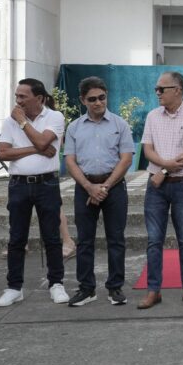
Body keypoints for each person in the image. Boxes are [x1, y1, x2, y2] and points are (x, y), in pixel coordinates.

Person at [0, 78, 69, 307]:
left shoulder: (54, 117)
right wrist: (35, 148)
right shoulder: (10, 121)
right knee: (16, 238)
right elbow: (2, 154)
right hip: (18, 185)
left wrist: (23, 123)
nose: (18, 101)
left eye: (23, 96)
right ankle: (14, 287)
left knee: (52, 237)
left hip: (47, 184)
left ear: (39, 98)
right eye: (17, 96)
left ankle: (56, 283)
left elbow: (44, 140)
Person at [62, 77, 135, 306]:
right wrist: (89, 187)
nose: (97, 103)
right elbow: (70, 161)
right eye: (92, 99)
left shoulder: (119, 125)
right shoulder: (74, 127)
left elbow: (126, 159)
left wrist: (105, 186)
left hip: (113, 188)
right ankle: (87, 288)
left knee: (116, 239)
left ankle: (115, 288)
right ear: (83, 100)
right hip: (85, 188)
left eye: (101, 97)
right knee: (84, 241)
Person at [137, 71, 183, 309]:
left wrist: (163, 172)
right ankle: (153, 290)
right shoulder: (153, 116)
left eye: (161, 89)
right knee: (154, 240)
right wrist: (164, 167)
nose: (157, 93)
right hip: (155, 187)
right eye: (156, 89)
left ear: (177, 90)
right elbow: (147, 150)